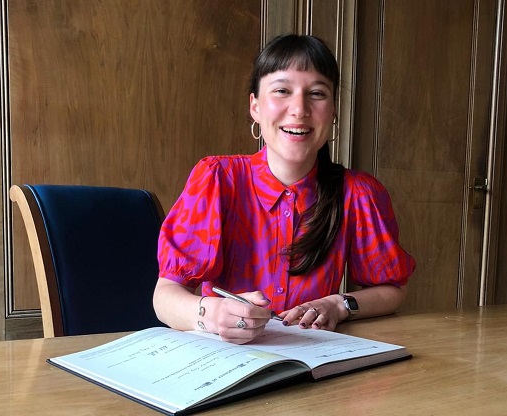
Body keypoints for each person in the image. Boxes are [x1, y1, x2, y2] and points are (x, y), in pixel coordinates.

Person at [153, 34, 415, 344]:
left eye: (317, 93)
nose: (299, 109)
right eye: (282, 90)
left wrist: (339, 304)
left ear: (333, 111)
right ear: (255, 106)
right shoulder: (217, 180)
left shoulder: (358, 193)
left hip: (316, 364)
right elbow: (165, 296)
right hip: (227, 359)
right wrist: (210, 313)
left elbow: (393, 290)